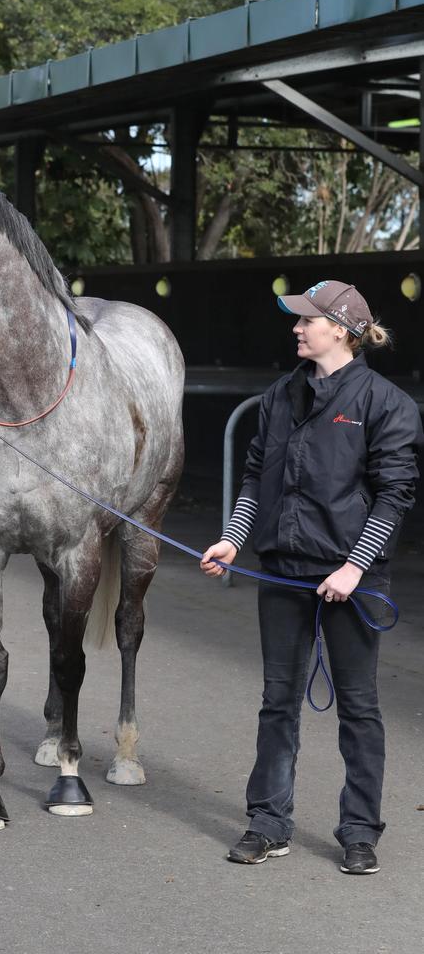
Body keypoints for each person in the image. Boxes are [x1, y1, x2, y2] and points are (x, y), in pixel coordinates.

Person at [201, 280, 422, 875]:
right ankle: (268, 823)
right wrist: (233, 539)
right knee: (278, 702)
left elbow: (395, 495)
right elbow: (255, 477)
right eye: (297, 321)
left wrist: (355, 566)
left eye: (307, 321)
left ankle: (358, 832)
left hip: (356, 580)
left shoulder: (385, 404)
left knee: (359, 707)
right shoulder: (279, 397)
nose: (296, 329)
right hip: (284, 574)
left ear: (342, 330)